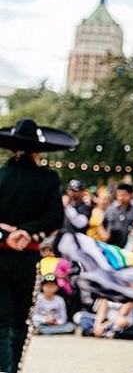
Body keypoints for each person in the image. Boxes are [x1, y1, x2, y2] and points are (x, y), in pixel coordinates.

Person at [0, 117, 77, 373]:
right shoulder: (48, 179)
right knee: (21, 317)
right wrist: (30, 232)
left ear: (12, 149)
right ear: (37, 150)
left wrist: (6, 235)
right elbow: (55, 217)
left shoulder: (1, 176)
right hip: (28, 257)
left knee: (2, 319)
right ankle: (13, 369)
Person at [102, 183, 133, 249]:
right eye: (118, 195)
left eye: (123, 195)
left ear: (131, 195)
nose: (121, 198)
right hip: (111, 244)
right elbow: (102, 225)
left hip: (130, 246)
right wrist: (104, 233)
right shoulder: (110, 211)